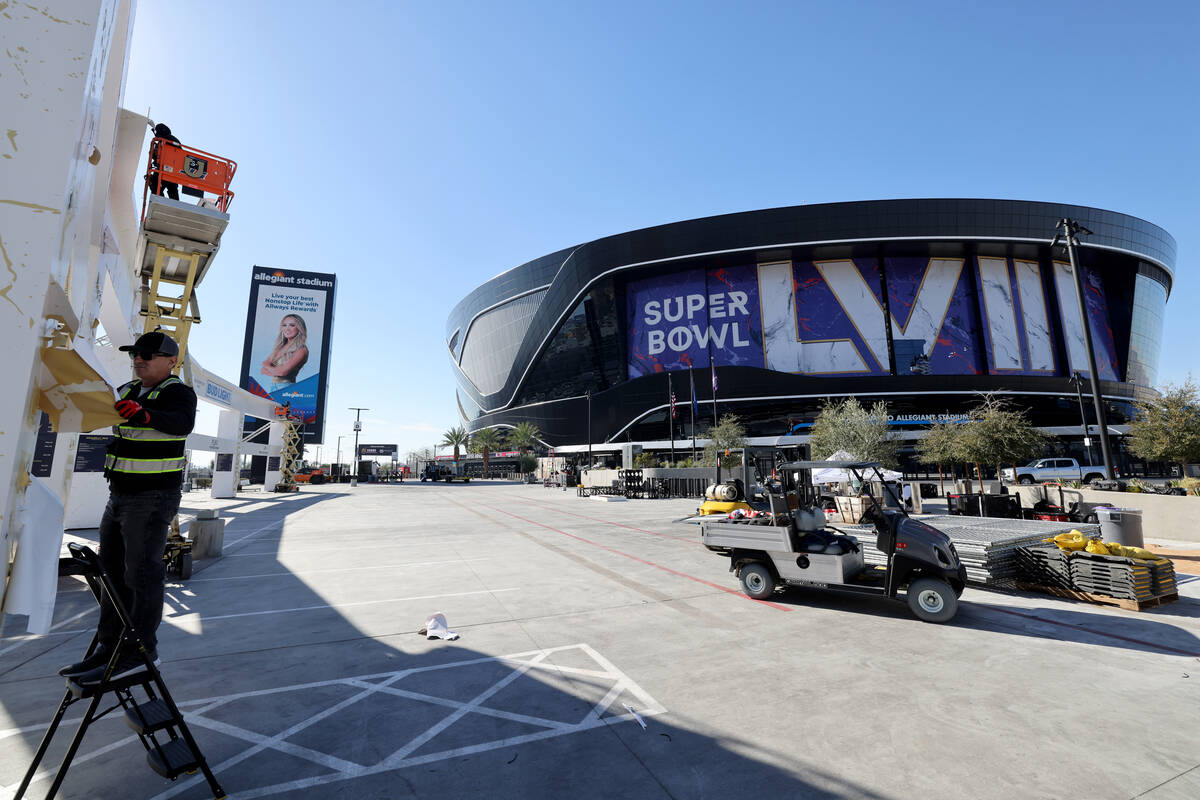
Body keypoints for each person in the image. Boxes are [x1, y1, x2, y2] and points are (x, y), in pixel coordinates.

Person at [60, 331, 197, 684]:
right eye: (135, 354)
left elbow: (181, 423)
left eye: (147, 355)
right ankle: (110, 648)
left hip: (152, 499)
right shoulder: (124, 391)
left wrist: (145, 415)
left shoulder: (177, 392)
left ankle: (140, 651)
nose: (138, 359)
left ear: (171, 362)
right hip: (118, 496)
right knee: (113, 574)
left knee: (142, 574)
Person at [260, 314, 309, 390]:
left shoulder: (301, 349)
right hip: (272, 387)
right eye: (284, 325)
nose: (287, 329)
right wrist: (277, 371)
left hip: (287, 388)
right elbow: (263, 369)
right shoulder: (280, 347)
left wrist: (270, 368)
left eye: (292, 325)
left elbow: (282, 372)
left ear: (299, 328)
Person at [147, 122, 182, 201]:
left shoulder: (162, 140)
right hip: (175, 171)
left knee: (154, 185)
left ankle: (161, 201)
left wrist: (153, 128)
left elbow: (155, 155)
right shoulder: (174, 140)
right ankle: (175, 205)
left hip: (164, 168)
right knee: (172, 189)